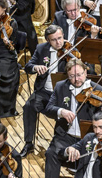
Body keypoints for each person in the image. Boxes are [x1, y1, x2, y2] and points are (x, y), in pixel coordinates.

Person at [41, 57, 102, 178]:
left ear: (85, 72)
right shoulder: (61, 86)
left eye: (79, 75)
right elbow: (48, 109)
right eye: (72, 76)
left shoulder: (98, 90)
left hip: (87, 138)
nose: (76, 79)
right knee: (51, 153)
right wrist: (61, 111)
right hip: (65, 136)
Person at [20, 25, 69, 156]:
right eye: (54, 40)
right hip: (44, 91)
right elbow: (28, 66)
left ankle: (59, 145)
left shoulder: (70, 51)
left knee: (66, 112)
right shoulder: (41, 49)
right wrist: (36, 67)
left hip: (62, 94)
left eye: (60, 38)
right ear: (48, 40)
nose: (58, 42)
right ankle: (29, 143)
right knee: (28, 106)